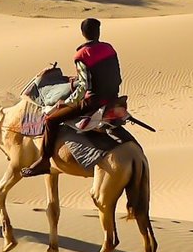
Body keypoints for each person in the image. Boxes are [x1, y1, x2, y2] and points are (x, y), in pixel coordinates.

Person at [22, 18, 122, 177]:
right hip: (112, 98)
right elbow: (116, 75)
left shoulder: (82, 54)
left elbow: (83, 87)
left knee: (51, 120)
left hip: (92, 102)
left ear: (83, 34)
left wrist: (66, 103)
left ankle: (44, 161)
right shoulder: (109, 48)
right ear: (98, 32)